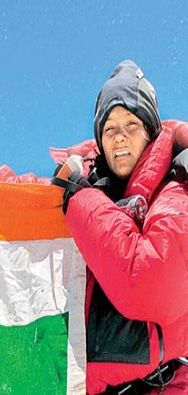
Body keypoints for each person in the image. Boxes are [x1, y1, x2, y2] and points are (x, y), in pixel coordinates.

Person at [60, 60, 188, 394]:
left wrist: (82, 202)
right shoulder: (88, 184)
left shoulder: (179, 185)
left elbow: (149, 282)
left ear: (150, 131)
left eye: (131, 124)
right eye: (109, 127)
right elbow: (23, 195)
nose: (120, 137)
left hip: (164, 385)